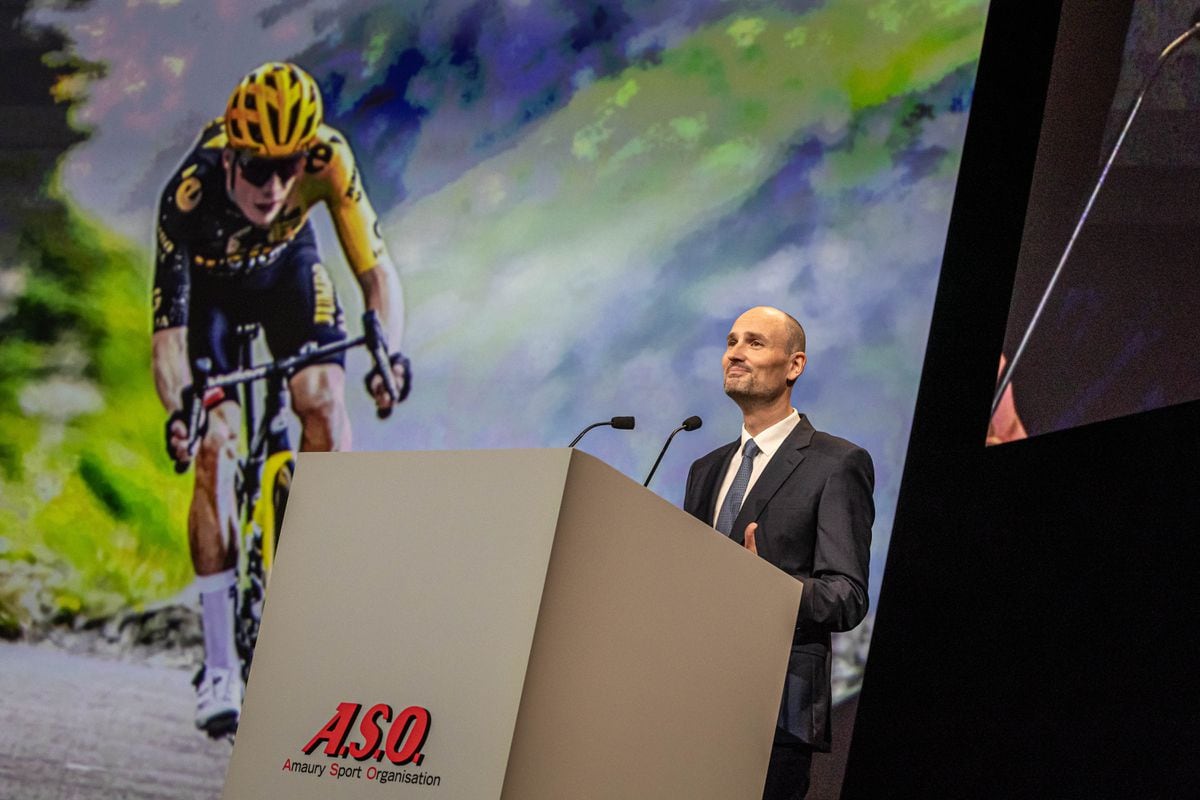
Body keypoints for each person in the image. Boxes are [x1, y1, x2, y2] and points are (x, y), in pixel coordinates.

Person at [150, 62, 409, 735]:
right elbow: (169, 342)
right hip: (209, 297)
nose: (275, 186)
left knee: (323, 395)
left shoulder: (329, 159)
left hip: (288, 273)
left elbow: (377, 276)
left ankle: (316, 568)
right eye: (259, 168)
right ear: (231, 154)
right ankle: (217, 667)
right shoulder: (189, 194)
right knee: (212, 443)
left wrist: (387, 353)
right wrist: (182, 412)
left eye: (289, 167)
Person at [683, 306, 873, 800]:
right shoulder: (704, 469)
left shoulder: (837, 464)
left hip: (774, 713)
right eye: (730, 342)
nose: (735, 354)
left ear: (795, 365)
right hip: (692, 699)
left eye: (754, 342)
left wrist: (767, 587)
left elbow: (846, 597)